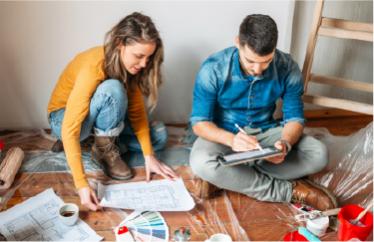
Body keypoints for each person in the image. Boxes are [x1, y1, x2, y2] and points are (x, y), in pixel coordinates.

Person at [189, 14, 337, 211]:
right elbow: (200, 123)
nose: (258, 69)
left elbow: (294, 118)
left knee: (319, 154)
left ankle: (229, 177)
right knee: (200, 163)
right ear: (238, 43)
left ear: (274, 49)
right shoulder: (213, 69)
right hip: (225, 135)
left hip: (266, 132)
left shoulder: (287, 66)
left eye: (266, 61)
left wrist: (284, 143)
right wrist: (232, 141)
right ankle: (289, 191)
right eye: (250, 61)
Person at [47, 12, 178, 211]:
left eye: (148, 58)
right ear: (119, 43)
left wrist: (149, 156)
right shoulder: (94, 65)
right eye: (139, 56)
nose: (144, 64)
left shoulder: (129, 68)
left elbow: (136, 113)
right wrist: (82, 185)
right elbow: (70, 126)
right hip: (64, 119)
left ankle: (95, 142)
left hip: (96, 121)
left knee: (159, 135)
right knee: (113, 89)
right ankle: (97, 146)